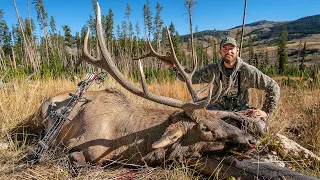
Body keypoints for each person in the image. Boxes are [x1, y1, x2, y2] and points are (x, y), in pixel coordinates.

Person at [171, 37, 280, 134]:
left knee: (260, 128)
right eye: (225, 49)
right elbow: (193, 77)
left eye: (231, 49)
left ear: (237, 51)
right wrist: (176, 68)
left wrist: (266, 111)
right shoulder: (213, 69)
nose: (228, 51)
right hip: (216, 110)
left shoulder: (248, 71)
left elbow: (273, 86)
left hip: (240, 111)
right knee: (195, 124)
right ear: (221, 52)